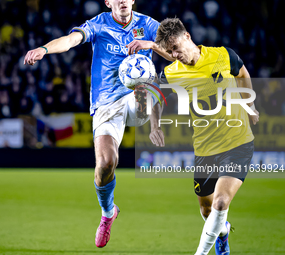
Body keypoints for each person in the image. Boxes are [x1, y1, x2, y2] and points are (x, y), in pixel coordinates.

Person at [24, 0, 173, 248]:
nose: (123, 0)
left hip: (138, 94)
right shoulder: (99, 24)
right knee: (105, 164)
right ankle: (107, 212)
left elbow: (179, 52)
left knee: (153, 78)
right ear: (108, 2)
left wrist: (152, 45)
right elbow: (71, 40)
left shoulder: (148, 25)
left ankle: (153, 120)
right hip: (106, 102)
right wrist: (45, 49)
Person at [149, 18, 259, 255]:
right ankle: (223, 232)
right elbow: (156, 97)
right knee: (207, 211)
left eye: (176, 47)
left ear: (187, 36)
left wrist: (249, 103)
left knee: (220, 203)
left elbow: (242, 73)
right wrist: (154, 126)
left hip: (238, 143)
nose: (174, 54)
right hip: (205, 150)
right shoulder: (171, 73)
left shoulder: (223, 55)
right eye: (169, 51)